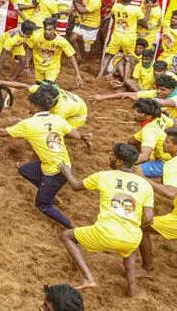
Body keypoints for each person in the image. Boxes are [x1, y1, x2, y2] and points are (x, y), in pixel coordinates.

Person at [0, 90, 92, 229]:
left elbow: (3, 133)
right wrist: (83, 137)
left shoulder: (28, 125)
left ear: (35, 106)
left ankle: (72, 227)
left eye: (30, 103)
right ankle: (48, 192)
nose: (28, 105)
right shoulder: (57, 119)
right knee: (23, 169)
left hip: (54, 172)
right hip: (64, 165)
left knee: (42, 205)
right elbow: (74, 135)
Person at [59, 143, 154, 296]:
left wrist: (67, 172)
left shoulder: (103, 176)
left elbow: (76, 186)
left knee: (67, 236)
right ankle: (132, 288)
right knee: (129, 250)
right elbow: (149, 218)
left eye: (112, 155)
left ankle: (88, 277)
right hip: (132, 236)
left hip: (105, 233)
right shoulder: (145, 185)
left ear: (119, 162)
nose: (109, 156)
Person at [137, 127, 177, 276]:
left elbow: (171, 192)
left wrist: (144, 179)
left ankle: (147, 268)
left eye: (167, 142)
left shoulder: (172, 165)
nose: (164, 145)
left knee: (142, 225)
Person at [0, 78, 88, 128]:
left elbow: (48, 126)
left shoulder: (61, 111)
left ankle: (85, 137)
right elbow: (24, 86)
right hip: (73, 102)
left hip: (77, 116)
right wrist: (1, 82)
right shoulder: (43, 90)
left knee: (59, 132)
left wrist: (24, 122)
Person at [97, 0, 147, 79]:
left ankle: (99, 75)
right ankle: (125, 80)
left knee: (108, 55)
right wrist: (148, 9)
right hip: (129, 37)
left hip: (117, 35)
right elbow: (144, 21)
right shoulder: (136, 9)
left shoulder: (116, 6)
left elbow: (113, 17)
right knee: (128, 59)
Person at [26, 17, 83, 86]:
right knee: (39, 87)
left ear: (54, 30)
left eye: (50, 30)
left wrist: (77, 74)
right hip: (38, 68)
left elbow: (71, 57)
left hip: (52, 68)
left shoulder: (61, 41)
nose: (47, 32)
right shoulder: (36, 37)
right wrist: (27, 65)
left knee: (48, 86)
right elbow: (29, 48)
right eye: (46, 29)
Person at [93, 74, 177, 118]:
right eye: (158, 88)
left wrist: (140, 98)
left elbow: (161, 102)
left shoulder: (175, 98)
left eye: (163, 90)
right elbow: (128, 94)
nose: (159, 91)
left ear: (172, 89)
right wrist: (102, 97)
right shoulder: (156, 93)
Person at [131, 99, 175, 178]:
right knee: (132, 140)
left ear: (149, 116)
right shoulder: (160, 116)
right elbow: (173, 122)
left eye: (138, 111)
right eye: (135, 109)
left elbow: (144, 157)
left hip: (165, 162)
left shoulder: (149, 131)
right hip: (168, 153)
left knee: (133, 170)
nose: (134, 112)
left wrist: (126, 163)